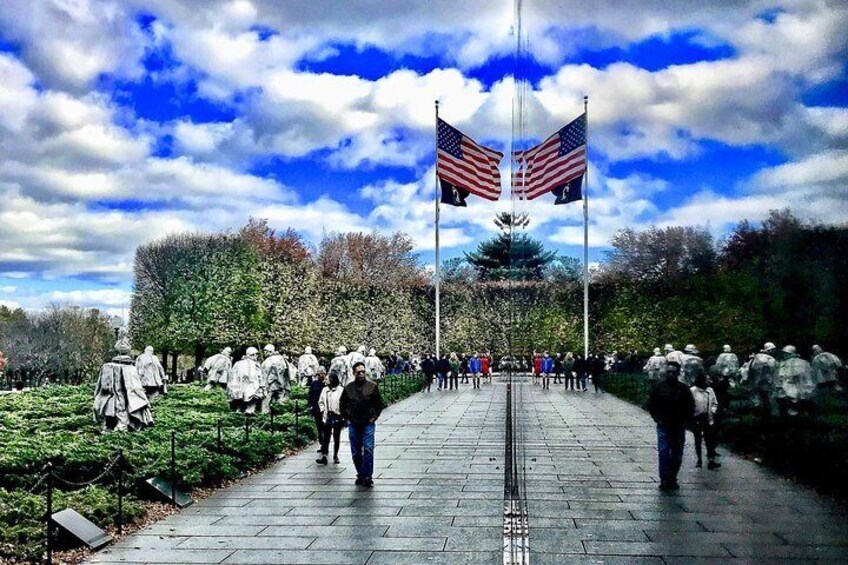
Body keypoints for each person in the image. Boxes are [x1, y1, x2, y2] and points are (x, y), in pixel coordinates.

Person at [648, 362, 694, 491]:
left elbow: (690, 406)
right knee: (663, 452)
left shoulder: (684, 389)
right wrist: (657, 418)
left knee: (677, 454)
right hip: (664, 424)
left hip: (678, 425)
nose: (670, 374)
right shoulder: (659, 388)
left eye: (673, 372)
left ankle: (672, 477)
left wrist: (686, 421)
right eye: (668, 372)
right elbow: (651, 404)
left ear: (678, 373)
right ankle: (664, 479)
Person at [94, 336, 154, 432]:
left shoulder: (107, 367)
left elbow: (99, 387)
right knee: (121, 410)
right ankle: (119, 427)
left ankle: (109, 426)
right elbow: (136, 387)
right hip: (121, 400)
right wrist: (144, 399)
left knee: (112, 408)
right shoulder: (131, 368)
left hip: (110, 398)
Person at [340, 361, 385, 488]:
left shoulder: (372, 386)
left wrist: (374, 417)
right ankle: (360, 473)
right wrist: (347, 418)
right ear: (353, 373)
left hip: (368, 422)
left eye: (363, 372)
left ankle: (368, 475)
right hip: (354, 423)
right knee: (355, 451)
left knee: (368, 449)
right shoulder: (348, 388)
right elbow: (342, 404)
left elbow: (379, 404)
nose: (361, 374)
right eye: (358, 372)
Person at [690, 372, 720, 470]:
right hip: (697, 417)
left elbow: (715, 403)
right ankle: (699, 458)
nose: (709, 381)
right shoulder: (693, 391)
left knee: (710, 438)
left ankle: (711, 458)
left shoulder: (710, 390)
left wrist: (712, 411)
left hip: (708, 417)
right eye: (707, 379)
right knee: (698, 438)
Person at [316, 373, 345, 465]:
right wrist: (323, 410)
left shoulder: (341, 390)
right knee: (326, 437)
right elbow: (320, 401)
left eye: (327, 379)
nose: (325, 380)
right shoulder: (324, 390)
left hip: (337, 416)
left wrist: (341, 412)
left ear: (332, 380)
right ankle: (324, 455)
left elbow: (344, 402)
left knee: (336, 437)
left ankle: (335, 455)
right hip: (327, 416)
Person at [229, 347, 264, 413]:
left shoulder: (238, 363)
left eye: (256, 354)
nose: (255, 356)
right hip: (251, 385)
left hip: (239, 386)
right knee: (252, 399)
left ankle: (239, 411)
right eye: (254, 355)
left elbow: (233, 375)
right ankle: (249, 411)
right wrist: (262, 386)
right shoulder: (256, 364)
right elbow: (259, 376)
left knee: (241, 398)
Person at [261, 344, 291, 412]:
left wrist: (264, 386)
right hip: (281, 383)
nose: (264, 353)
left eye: (266, 351)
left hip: (271, 384)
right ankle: (283, 413)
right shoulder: (281, 359)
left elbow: (265, 373)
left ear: (270, 351)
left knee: (266, 399)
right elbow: (287, 371)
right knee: (281, 398)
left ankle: (265, 414)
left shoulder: (268, 361)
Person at [308, 367, 327, 455]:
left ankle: (325, 445)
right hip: (316, 409)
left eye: (322, 373)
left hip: (325, 409)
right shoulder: (314, 384)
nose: (321, 375)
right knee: (319, 427)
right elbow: (310, 396)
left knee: (325, 428)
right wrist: (311, 406)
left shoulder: (327, 384)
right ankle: (322, 444)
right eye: (319, 374)